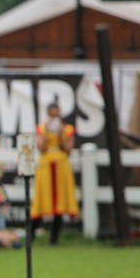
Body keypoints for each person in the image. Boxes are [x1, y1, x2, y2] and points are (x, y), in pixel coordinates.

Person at [31, 103, 79, 245]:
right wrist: (47, 132)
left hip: (61, 166)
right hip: (46, 166)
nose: (54, 117)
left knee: (60, 201)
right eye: (51, 115)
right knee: (42, 200)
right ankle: (31, 236)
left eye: (56, 115)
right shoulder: (41, 128)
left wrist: (60, 134)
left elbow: (68, 149)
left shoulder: (67, 129)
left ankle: (54, 239)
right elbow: (41, 148)